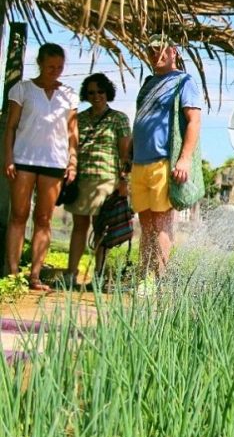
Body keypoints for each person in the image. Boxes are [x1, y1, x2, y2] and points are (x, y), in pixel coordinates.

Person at [3, 43, 79, 292]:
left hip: (54, 162)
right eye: (50, 67)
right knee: (18, 215)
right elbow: (11, 126)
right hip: (24, 158)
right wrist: (8, 158)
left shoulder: (69, 94)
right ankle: (13, 273)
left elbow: (72, 132)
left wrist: (72, 160)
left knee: (44, 218)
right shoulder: (22, 89)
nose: (55, 71)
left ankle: (35, 275)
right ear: (40, 64)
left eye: (59, 67)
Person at [131, 34, 201, 281]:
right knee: (146, 225)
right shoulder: (149, 82)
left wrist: (184, 159)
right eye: (150, 49)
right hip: (139, 162)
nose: (155, 53)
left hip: (163, 161)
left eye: (160, 49)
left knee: (162, 224)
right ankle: (143, 278)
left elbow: (193, 121)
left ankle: (160, 282)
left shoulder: (184, 81)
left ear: (173, 52)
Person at [64, 73, 132, 285]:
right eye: (92, 92)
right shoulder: (79, 119)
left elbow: (125, 153)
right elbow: (71, 147)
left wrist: (124, 180)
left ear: (107, 93)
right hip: (82, 180)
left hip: (107, 181)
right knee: (79, 227)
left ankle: (99, 276)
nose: (96, 96)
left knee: (101, 229)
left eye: (100, 92)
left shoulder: (118, 119)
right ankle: (71, 274)